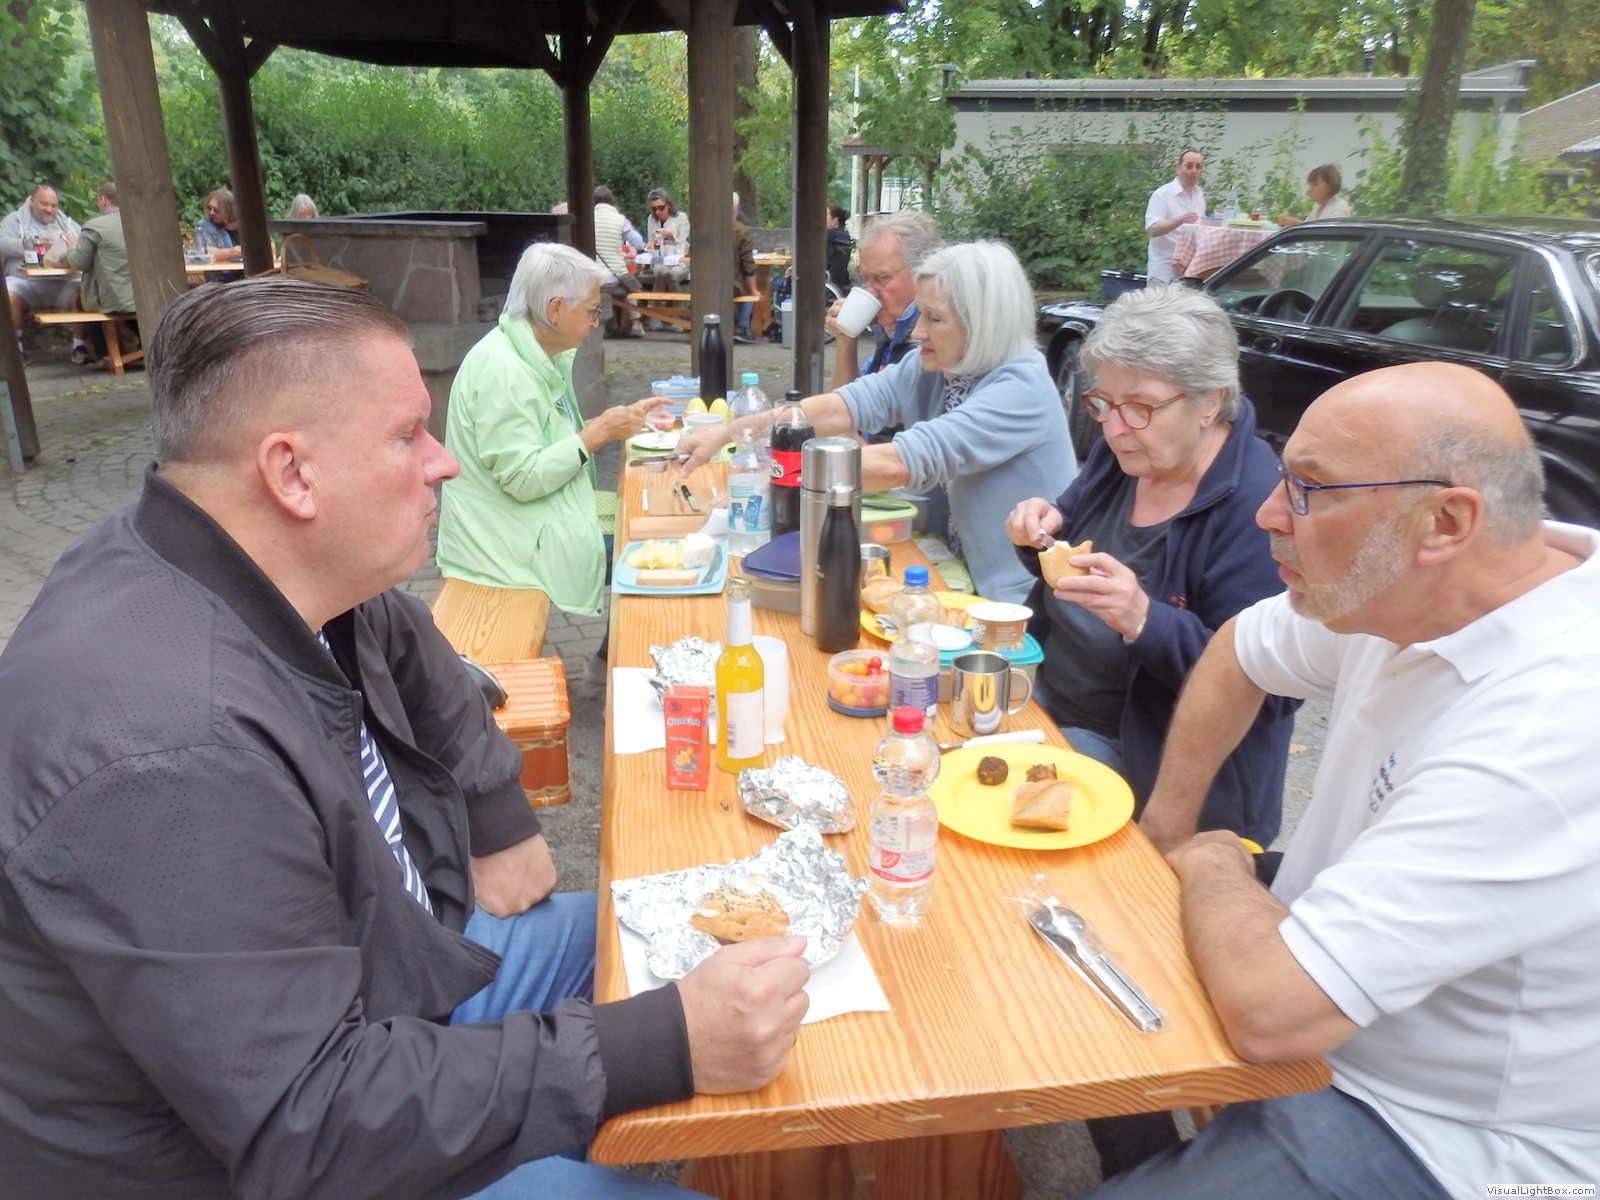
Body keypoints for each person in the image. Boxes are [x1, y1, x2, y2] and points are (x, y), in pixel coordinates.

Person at [0, 275, 810, 1200]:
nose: (443, 462)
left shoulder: (255, 559)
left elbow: (410, 644)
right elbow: (310, 1122)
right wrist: (661, 1044)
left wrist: (499, 818)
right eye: (406, 435)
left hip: (387, 979)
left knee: (700, 941)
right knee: (676, 1020)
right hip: (264, 1153)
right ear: (292, 473)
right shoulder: (169, 755)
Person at [1082, 361, 1600, 1200]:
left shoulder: (1551, 723)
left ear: (1445, 522)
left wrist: (1211, 858)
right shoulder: (1420, 584)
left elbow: (1272, 1013)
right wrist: (1168, 824)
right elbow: (1241, 648)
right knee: (1079, 925)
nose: (1267, 513)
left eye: (1309, 491)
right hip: (1329, 981)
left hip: (1453, 1134)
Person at [1004, 286, 1295, 848]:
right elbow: (1065, 550)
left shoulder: (1258, 507)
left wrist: (1143, 619)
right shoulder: (1129, 453)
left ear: (1209, 402)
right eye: (1103, 403)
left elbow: (1271, 692)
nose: (1113, 428)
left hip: (1147, 760)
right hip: (1047, 699)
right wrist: (1038, 536)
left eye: (1140, 406)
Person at [681, 240, 1074, 604]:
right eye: (920, 313)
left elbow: (897, 464)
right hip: (949, 571)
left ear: (983, 325)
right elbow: (840, 408)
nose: (917, 331)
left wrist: (777, 475)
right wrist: (728, 431)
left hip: (1016, 604)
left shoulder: (1021, 387)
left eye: (935, 318)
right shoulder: (941, 365)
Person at [436, 243, 671, 617]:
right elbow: (523, 478)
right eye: (592, 310)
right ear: (556, 309)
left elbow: (546, 438)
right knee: (656, 549)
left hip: (521, 525)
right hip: (504, 549)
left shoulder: (526, 351)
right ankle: (622, 647)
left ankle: (614, 646)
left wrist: (615, 423)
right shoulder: (504, 370)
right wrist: (601, 431)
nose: (596, 322)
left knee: (644, 522)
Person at [823, 209, 943, 390]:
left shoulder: (932, 341)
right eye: (865, 279)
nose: (870, 291)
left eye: (881, 278)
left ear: (921, 272)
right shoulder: (891, 333)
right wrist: (846, 340)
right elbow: (849, 400)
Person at [47, 182, 133, 366]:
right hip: (141, 297)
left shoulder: (94, 227)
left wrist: (72, 246)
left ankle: (104, 354)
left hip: (115, 300)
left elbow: (79, 263)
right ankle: (142, 349)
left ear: (103, 200)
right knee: (128, 303)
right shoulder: (137, 222)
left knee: (84, 302)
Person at [0, 182, 88, 363]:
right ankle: (16, 350)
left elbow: (86, 248)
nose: (49, 209)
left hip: (63, 283)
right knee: (8, 294)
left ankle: (80, 347)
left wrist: (72, 247)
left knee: (85, 291)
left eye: (53, 205)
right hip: (25, 283)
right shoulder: (14, 221)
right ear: (32, 201)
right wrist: (30, 244)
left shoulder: (69, 225)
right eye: (44, 204)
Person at [1144, 149, 1206, 285]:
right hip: (1163, 272)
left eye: (1198, 167)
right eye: (1189, 166)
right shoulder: (1162, 195)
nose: (1194, 171)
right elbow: (1153, 230)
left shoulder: (1199, 195)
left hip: (1189, 273)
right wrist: (1180, 220)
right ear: (1178, 168)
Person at [592, 185, 645, 338]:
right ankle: (636, 324)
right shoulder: (620, 220)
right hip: (615, 279)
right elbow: (639, 243)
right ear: (611, 201)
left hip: (593, 279)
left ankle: (609, 325)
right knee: (630, 285)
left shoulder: (586, 218)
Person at [1276, 162, 1354, 227]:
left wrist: (1298, 224)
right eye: (1310, 185)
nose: (1309, 190)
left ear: (1329, 186)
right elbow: (1307, 229)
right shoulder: (1317, 207)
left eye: (1314, 185)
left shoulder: (1340, 206)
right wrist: (1287, 221)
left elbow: (1330, 234)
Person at [192, 188, 243, 283]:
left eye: (216, 210)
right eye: (209, 208)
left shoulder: (245, 224)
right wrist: (230, 252)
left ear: (229, 210)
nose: (211, 212)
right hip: (220, 280)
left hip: (247, 277)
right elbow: (203, 253)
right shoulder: (203, 226)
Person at [733, 191, 758, 344]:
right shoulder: (741, 230)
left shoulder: (706, 226)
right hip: (730, 284)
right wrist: (754, 289)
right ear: (735, 209)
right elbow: (748, 265)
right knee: (748, 289)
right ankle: (742, 329)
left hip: (705, 283)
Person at [825, 203, 853, 295]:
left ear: (835, 220)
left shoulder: (827, 236)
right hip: (841, 283)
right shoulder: (845, 235)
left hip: (826, 280)